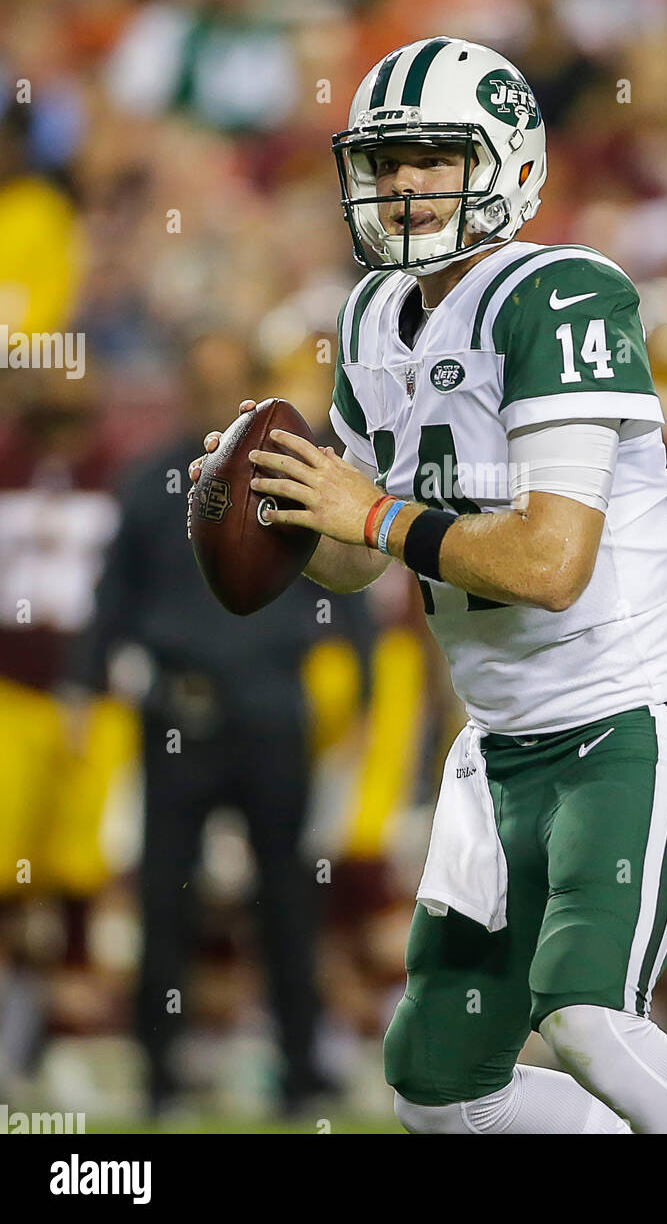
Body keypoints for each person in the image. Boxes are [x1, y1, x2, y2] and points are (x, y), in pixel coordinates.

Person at [192, 38, 667, 1134]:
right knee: (440, 1092)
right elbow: (359, 555)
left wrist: (376, 512)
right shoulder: (367, 317)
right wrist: (292, 504)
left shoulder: (561, 293)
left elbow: (549, 564)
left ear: (509, 160)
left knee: (585, 1019)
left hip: (629, 722)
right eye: (385, 161)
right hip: (497, 751)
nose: (403, 185)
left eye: (432, 158)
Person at [73, 331, 376, 1118]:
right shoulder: (149, 483)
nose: (215, 396)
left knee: (287, 897)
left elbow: (346, 583)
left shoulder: (288, 474)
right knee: (165, 897)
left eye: (227, 380)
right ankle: (160, 1077)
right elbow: (113, 596)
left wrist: (367, 692)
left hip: (275, 707)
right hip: (181, 708)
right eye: (201, 380)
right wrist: (84, 688)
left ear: (248, 388)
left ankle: (301, 1070)